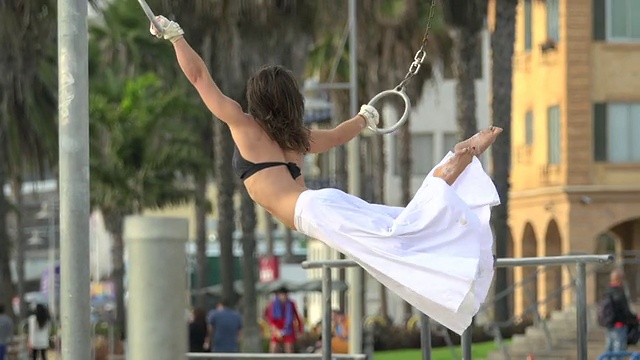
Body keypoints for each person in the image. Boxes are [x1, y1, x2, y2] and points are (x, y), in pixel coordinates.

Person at [150, 16, 502, 335]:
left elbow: (199, 78)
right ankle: (456, 166)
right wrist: (365, 118)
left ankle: (457, 169)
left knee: (398, 234)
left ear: (257, 99)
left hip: (315, 211)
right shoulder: (295, 139)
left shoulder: (245, 127)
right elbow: (338, 134)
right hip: (322, 204)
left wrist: (176, 37)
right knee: (400, 223)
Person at [601, 269, 637, 357]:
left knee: (609, 350)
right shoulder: (619, 293)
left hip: (609, 325)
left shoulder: (607, 291)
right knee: (618, 352)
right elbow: (624, 311)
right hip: (619, 325)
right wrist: (634, 318)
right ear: (619, 279)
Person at [264, 287, 303, 353]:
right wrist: (274, 329)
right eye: (281, 295)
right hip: (277, 329)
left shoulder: (291, 304)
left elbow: (297, 317)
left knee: (289, 348)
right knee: (273, 347)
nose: (283, 297)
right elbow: (270, 318)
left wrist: (300, 329)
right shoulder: (273, 305)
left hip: (288, 328)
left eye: (284, 295)